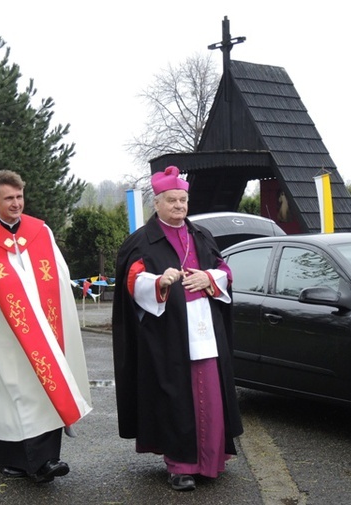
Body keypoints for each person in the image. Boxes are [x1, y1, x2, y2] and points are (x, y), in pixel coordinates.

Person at [112, 165, 243, 492]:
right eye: (172, 201)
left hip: (204, 327)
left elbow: (223, 268)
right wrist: (159, 282)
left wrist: (209, 278)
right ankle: (180, 466)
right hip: (167, 334)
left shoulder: (201, 235)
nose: (179, 206)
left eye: (183, 200)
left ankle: (211, 459)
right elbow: (132, 280)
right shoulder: (143, 240)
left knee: (210, 393)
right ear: (157, 203)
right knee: (176, 398)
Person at [0, 170, 92, 484]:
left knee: (43, 390)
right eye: (8, 198)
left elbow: (57, 275)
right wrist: (1, 309)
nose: (16, 203)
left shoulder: (40, 232)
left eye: (19, 197)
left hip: (44, 331)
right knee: (9, 393)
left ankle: (46, 461)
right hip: (3, 332)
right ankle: (12, 461)